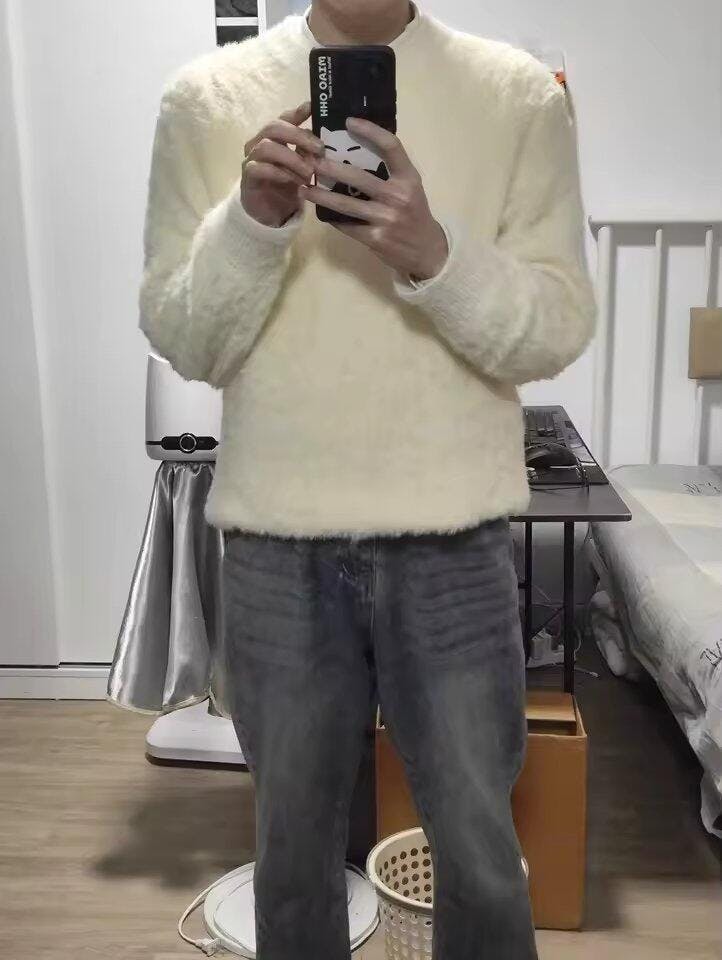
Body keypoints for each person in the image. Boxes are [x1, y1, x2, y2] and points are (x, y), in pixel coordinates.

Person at [138, 1, 596, 956]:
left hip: (454, 537)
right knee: (292, 858)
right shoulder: (206, 100)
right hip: (277, 541)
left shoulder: (518, 98)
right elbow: (186, 342)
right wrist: (252, 223)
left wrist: (434, 252)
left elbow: (556, 327)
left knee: (480, 857)